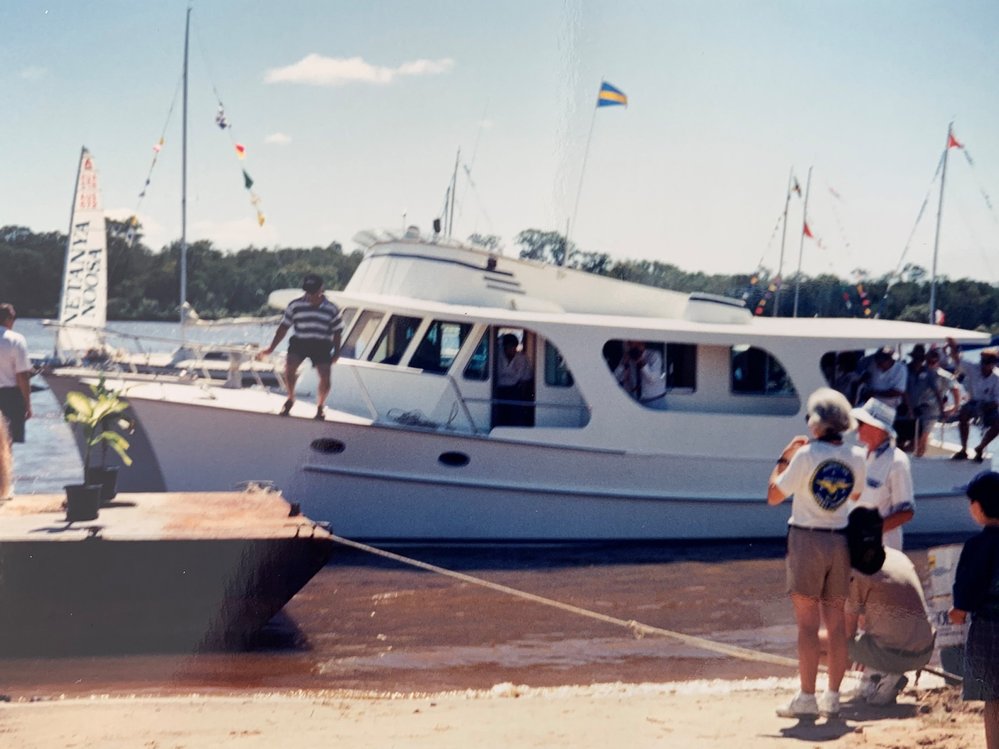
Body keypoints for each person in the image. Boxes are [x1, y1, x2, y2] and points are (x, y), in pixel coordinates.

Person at [768, 387, 867, 719]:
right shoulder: (857, 456)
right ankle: (833, 696)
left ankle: (807, 697)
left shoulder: (805, 455)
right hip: (840, 541)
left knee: (807, 627)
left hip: (807, 540)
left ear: (817, 422)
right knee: (836, 625)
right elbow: (853, 498)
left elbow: (773, 496)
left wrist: (783, 457)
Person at [843, 507, 935, 707]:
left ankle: (883, 674)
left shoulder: (859, 570)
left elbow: (845, 633)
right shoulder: (898, 556)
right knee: (868, 624)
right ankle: (874, 676)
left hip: (896, 656)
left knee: (821, 641)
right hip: (925, 651)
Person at [948, 470, 999, 749]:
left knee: (993, 698)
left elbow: (969, 589)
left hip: (990, 629)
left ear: (978, 507)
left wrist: (958, 613)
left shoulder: (978, 545)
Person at [258, 274, 344, 421]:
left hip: (321, 343)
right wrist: (271, 348)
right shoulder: (295, 305)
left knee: (325, 375)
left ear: (321, 289)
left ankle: (320, 406)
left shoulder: (331, 308)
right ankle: (291, 398)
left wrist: (336, 352)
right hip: (300, 341)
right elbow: (283, 328)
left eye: (313, 291)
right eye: (308, 291)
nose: (310, 294)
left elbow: (337, 332)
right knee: (290, 367)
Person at [852, 398, 915, 551]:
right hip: (855, 548)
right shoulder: (860, 456)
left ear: (877, 428)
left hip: (883, 550)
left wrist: (869, 534)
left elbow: (906, 512)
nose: (856, 427)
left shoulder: (897, 461)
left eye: (860, 423)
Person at [946, 338, 999, 462]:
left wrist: (988, 406)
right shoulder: (973, 368)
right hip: (974, 402)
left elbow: (997, 399)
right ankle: (964, 449)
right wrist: (953, 347)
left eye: (988, 362)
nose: (985, 365)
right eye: (984, 362)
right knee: (964, 413)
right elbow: (958, 360)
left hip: (988, 405)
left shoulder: (997, 378)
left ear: (993, 364)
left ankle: (980, 447)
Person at [908, 347, 960, 457]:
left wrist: (955, 407)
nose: (931, 364)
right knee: (913, 435)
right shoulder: (921, 372)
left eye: (934, 361)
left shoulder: (944, 375)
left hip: (932, 409)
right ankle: (915, 453)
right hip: (917, 407)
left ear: (938, 361)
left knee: (923, 436)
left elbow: (955, 389)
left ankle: (919, 455)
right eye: (929, 361)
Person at [0, 303, 32, 444]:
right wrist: (27, 404)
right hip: (10, 397)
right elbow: (22, 376)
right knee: (7, 443)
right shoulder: (16, 340)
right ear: (9, 319)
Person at [494, 333, 533, 427]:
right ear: (504, 347)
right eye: (509, 346)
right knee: (499, 415)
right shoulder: (495, 356)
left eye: (513, 346)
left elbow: (526, 379)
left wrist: (522, 395)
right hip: (498, 390)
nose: (511, 349)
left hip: (515, 390)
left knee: (516, 415)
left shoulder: (523, 358)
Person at [613, 340, 666, 409]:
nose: (629, 347)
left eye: (632, 344)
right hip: (636, 401)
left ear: (642, 344)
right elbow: (616, 378)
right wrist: (623, 364)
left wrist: (641, 361)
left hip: (656, 400)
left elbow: (652, 378)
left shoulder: (654, 355)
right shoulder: (627, 357)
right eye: (628, 344)